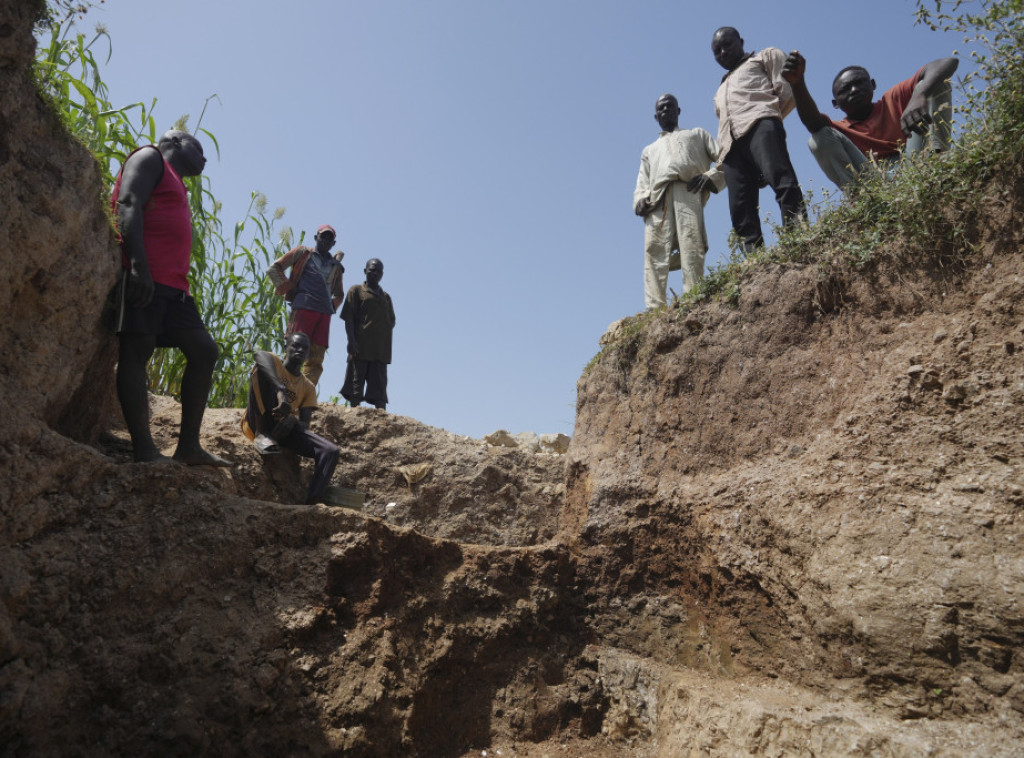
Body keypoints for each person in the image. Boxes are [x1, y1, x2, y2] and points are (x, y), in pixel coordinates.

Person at [111, 129, 229, 466]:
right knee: (137, 349)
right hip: (147, 276)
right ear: (176, 142)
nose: (205, 158)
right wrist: (137, 266)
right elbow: (128, 201)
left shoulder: (175, 178)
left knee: (204, 351)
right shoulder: (150, 158)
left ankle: (188, 447)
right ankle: (145, 451)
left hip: (175, 288)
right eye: (200, 149)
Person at [781, 51, 959, 190]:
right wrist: (797, 83)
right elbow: (813, 124)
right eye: (845, 89)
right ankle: (865, 199)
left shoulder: (893, 99)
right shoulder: (839, 130)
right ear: (835, 104)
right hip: (876, 182)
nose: (854, 90)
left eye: (859, 82)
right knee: (818, 139)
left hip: (917, 162)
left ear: (872, 85)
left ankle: (939, 161)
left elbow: (947, 63)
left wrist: (918, 97)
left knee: (931, 83)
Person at [711, 26, 806, 250]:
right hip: (731, 147)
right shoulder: (720, 88)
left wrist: (769, 119)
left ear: (741, 41)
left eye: (727, 45)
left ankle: (798, 241)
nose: (723, 52)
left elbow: (786, 92)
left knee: (782, 181)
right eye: (717, 50)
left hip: (761, 125)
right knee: (740, 209)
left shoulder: (764, 57)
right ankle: (756, 261)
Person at [634, 93, 725, 310]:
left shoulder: (697, 135)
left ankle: (695, 299)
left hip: (688, 192)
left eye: (669, 106)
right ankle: (655, 309)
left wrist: (710, 177)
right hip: (657, 201)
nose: (665, 111)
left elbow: (725, 158)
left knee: (692, 244)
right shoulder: (649, 150)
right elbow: (642, 182)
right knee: (654, 252)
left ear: (678, 111)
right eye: (661, 109)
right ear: (656, 117)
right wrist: (639, 201)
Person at [242, 332, 339, 505]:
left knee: (330, 451)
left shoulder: (307, 387)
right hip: (259, 420)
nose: (300, 350)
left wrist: (293, 420)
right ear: (286, 347)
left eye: (305, 348)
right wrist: (281, 391)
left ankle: (314, 499)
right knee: (260, 368)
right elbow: (259, 355)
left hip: (281, 428)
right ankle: (261, 433)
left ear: (309, 354)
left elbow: (305, 424)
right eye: (295, 346)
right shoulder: (274, 362)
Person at [267, 225, 345, 387]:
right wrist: (288, 286)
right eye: (323, 236)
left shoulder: (335, 266)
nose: (325, 240)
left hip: (324, 314)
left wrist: (331, 306)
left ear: (333, 243)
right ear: (316, 238)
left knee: (316, 359)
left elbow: (339, 294)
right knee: (293, 351)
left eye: (329, 239)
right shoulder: (303, 253)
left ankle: (303, 396)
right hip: (303, 308)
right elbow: (274, 268)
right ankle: (282, 390)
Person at [340, 259, 395, 410]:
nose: (375, 273)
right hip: (360, 347)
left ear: (382, 274)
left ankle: (382, 418)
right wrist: (351, 340)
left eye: (378, 271)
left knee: (379, 388)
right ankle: (354, 412)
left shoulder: (386, 297)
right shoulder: (356, 290)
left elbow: (391, 320)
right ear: (365, 271)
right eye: (372, 270)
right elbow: (348, 317)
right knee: (355, 386)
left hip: (380, 350)